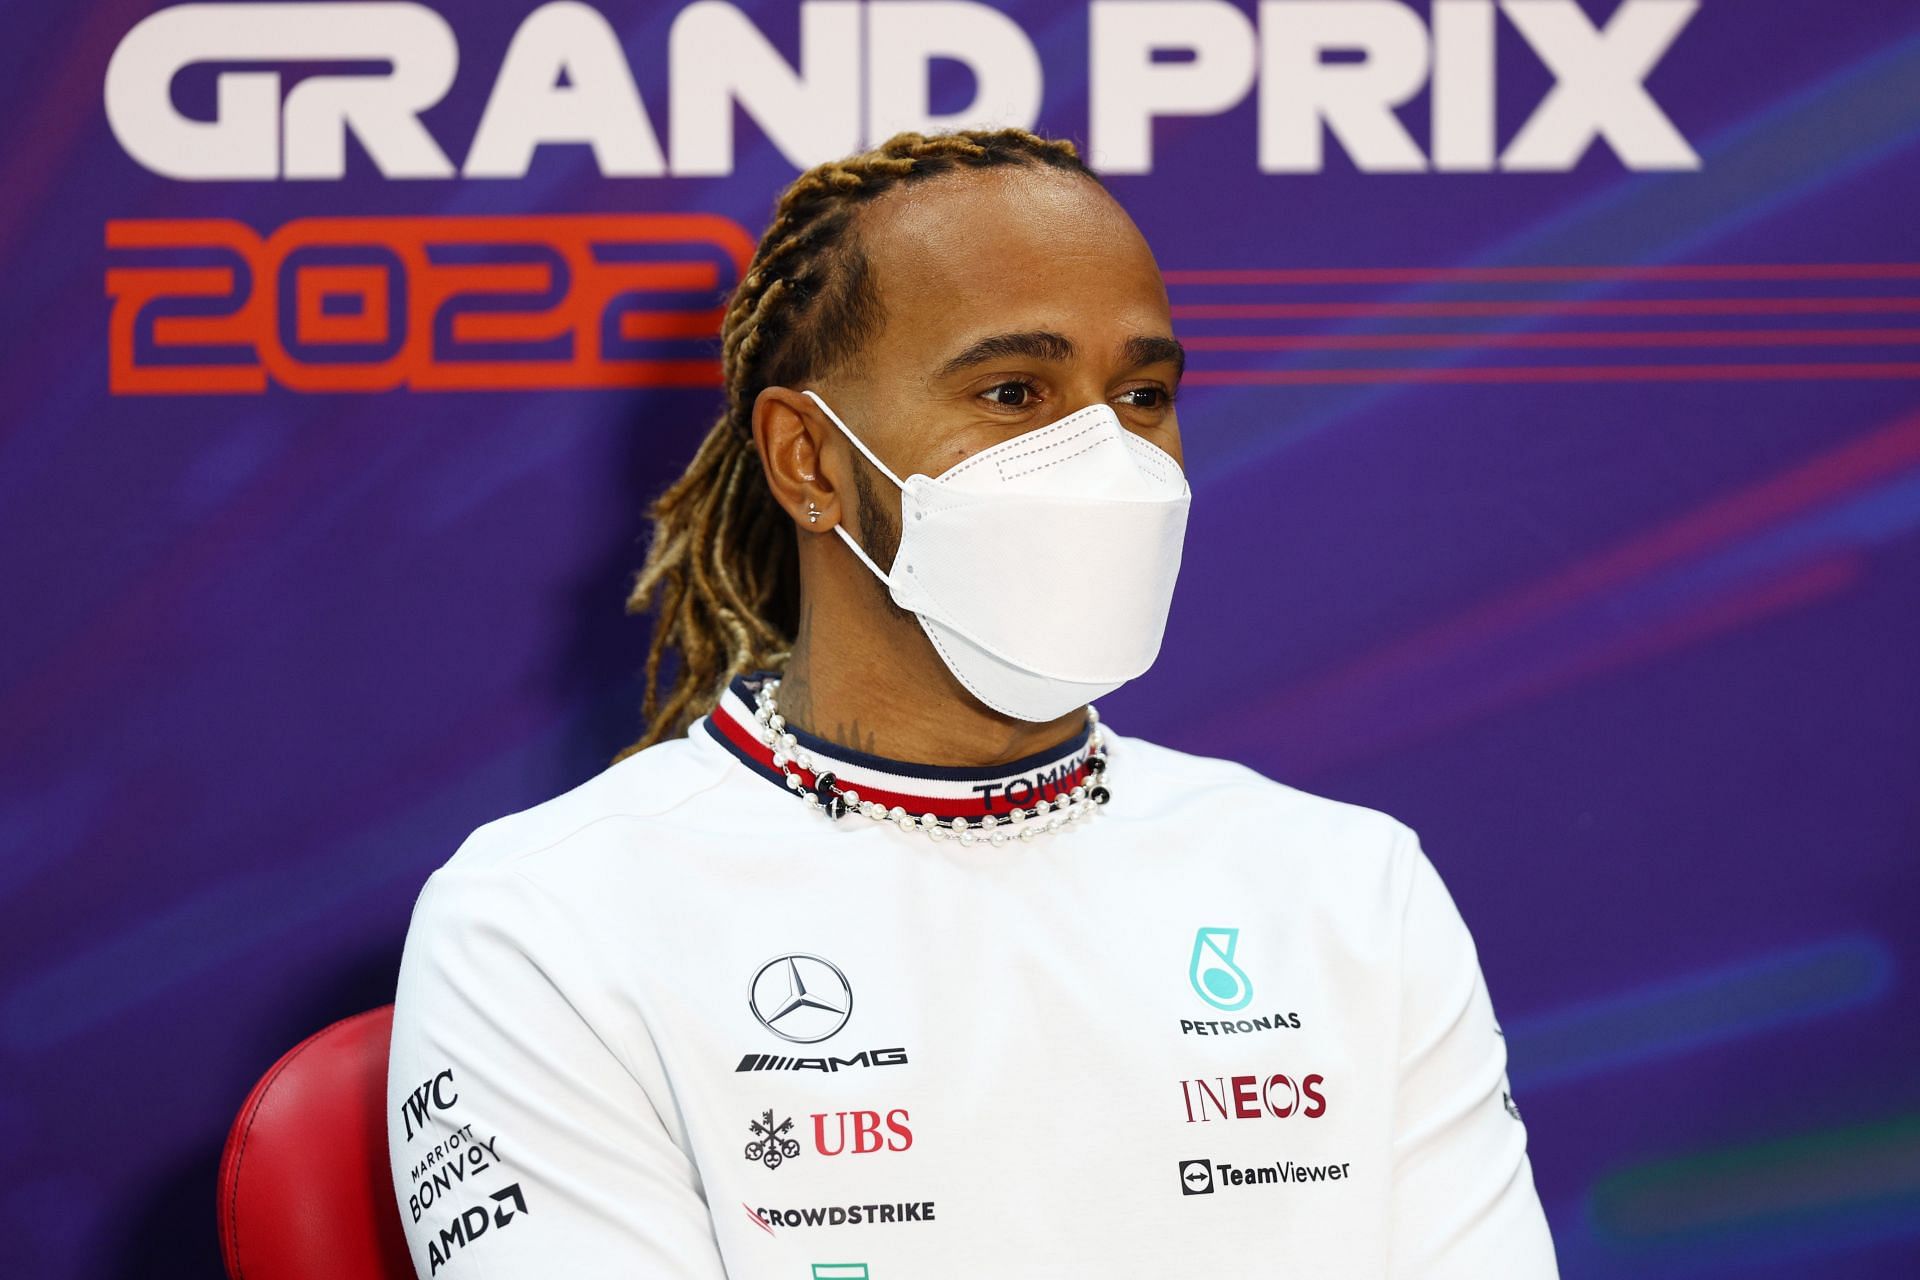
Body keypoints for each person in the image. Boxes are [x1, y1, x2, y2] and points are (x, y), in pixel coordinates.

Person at [384, 127, 1559, 1280]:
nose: (1104, 458)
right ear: (809, 459)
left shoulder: (1354, 889)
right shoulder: (540, 925)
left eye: (1142, 393)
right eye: (1012, 391)